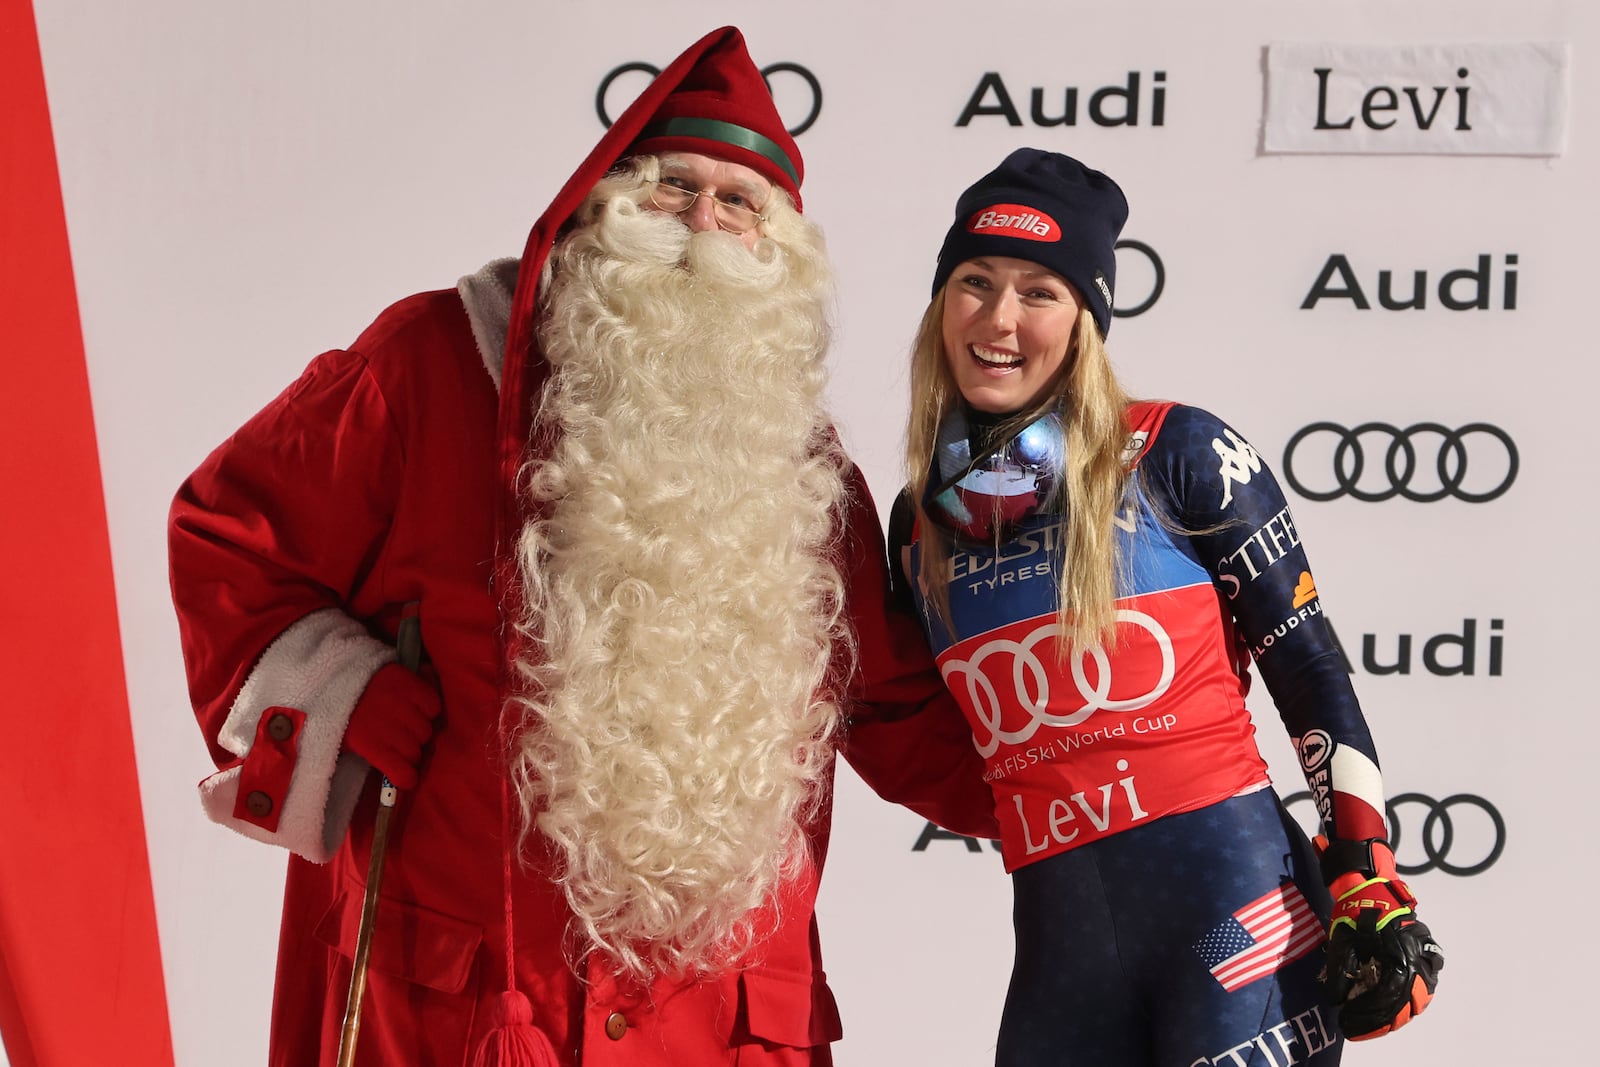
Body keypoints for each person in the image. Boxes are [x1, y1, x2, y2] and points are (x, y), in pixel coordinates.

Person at [167, 26, 991, 1067]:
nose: (701, 220)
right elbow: (227, 534)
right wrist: (342, 692)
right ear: (600, 204)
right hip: (468, 1006)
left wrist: (1093, 786)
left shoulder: (801, 461)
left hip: (715, 1025)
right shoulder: (429, 365)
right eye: (670, 185)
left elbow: (890, 701)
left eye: (740, 203)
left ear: (777, 252)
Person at [886, 148, 1443, 1066]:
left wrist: (1364, 872)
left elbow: (1308, 668)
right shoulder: (918, 526)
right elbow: (925, 739)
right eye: (974, 282)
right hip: (1064, 966)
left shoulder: (1178, 452)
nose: (997, 319)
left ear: (1086, 322)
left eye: (1040, 292)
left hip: (1234, 929)